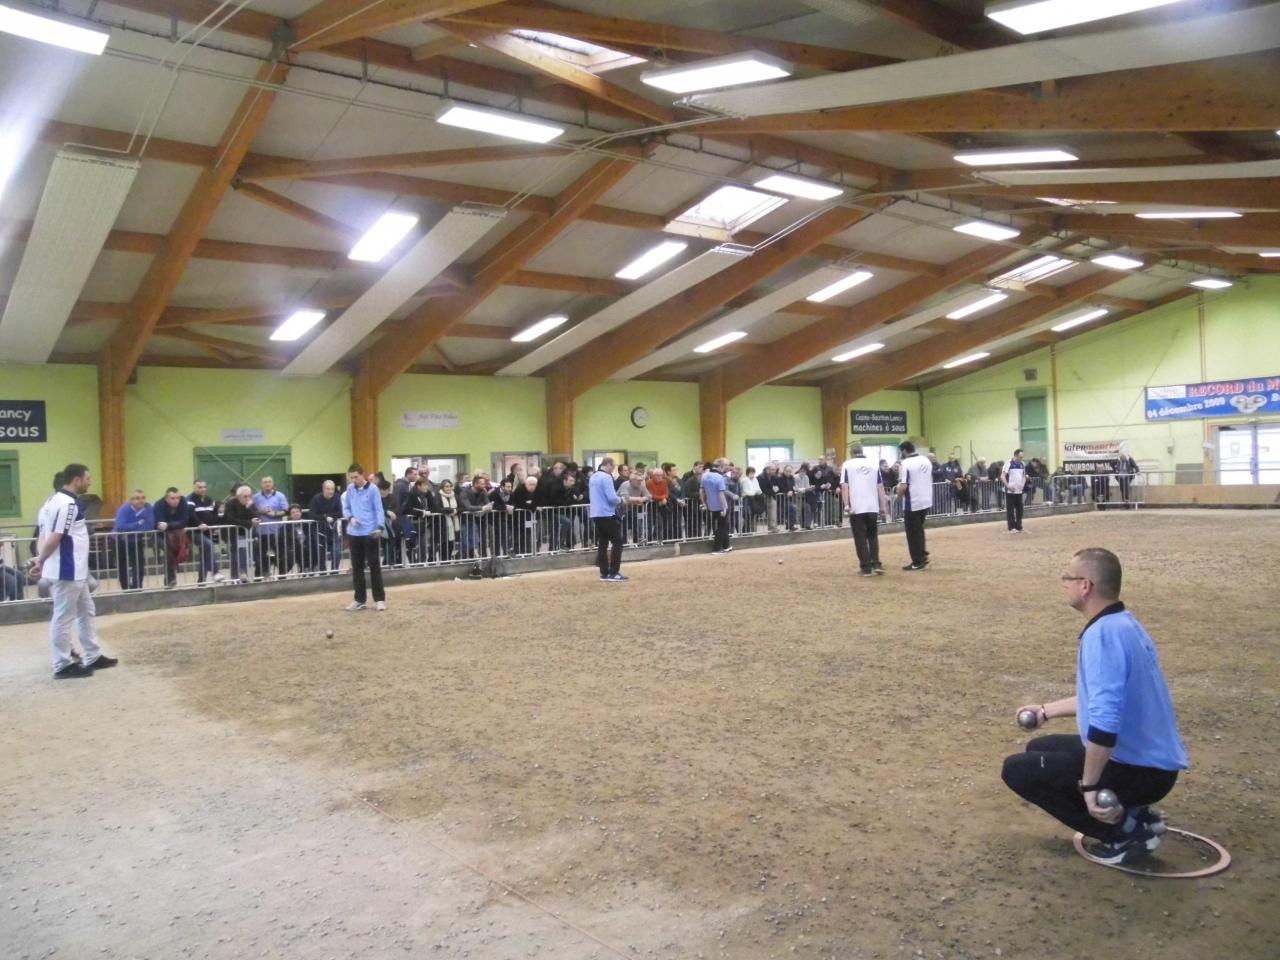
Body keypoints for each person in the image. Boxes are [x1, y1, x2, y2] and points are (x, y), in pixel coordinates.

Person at [1001, 548, 1187, 865]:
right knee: (1039, 747)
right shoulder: (1123, 623)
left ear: (1085, 586)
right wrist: (1045, 711)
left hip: (1143, 770)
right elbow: (1102, 699)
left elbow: (1105, 721)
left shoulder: (1102, 636)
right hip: (1151, 763)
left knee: (1016, 770)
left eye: (1068, 577)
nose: (1064, 583)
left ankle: (1125, 832)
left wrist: (1090, 786)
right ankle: (1137, 814)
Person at [31, 463, 116, 678]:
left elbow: (43, 535)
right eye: (87, 478)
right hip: (68, 569)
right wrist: (41, 560)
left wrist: (41, 560)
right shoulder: (68, 504)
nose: (89, 482)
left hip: (76, 569)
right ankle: (62, 664)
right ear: (76, 480)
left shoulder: (49, 504)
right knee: (63, 616)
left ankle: (92, 654)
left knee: (86, 611)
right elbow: (55, 536)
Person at [341, 464, 386, 611]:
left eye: (356, 477)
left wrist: (380, 526)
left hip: (370, 533)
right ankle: (359, 600)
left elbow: (379, 509)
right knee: (357, 567)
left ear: (363, 475)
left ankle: (379, 599)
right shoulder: (350, 489)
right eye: (351, 477)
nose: (354, 480)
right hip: (354, 533)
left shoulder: (373, 489)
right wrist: (351, 518)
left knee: (374, 566)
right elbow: (346, 507)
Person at [841, 443, 889, 577]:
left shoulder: (847, 465)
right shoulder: (873, 464)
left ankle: (866, 568)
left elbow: (844, 486)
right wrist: (883, 506)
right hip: (872, 507)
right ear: (862, 451)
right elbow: (880, 487)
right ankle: (876, 563)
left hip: (857, 508)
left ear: (851, 453)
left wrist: (846, 505)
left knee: (860, 537)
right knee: (873, 536)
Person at [895, 441, 933, 570]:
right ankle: (922, 554)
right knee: (919, 529)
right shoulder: (925, 460)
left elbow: (903, 485)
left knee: (912, 533)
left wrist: (898, 497)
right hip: (926, 500)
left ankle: (918, 561)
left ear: (904, 451)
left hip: (913, 502)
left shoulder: (906, 463)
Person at [589, 457, 625, 582]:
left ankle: (604, 573)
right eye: (613, 466)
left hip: (596, 513)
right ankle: (614, 572)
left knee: (603, 543)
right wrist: (621, 500)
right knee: (618, 541)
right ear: (608, 465)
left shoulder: (593, 477)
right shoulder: (607, 477)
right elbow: (612, 498)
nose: (613, 469)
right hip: (606, 513)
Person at [112, 488, 154, 590]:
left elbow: (150, 525)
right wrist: (138, 523)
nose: (141, 500)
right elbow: (120, 526)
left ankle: (137, 587)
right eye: (137, 498)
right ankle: (126, 588)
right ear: (131, 500)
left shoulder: (148, 508)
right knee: (123, 565)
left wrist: (134, 528)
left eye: (143, 498)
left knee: (139, 564)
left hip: (136, 539)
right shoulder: (124, 509)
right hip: (120, 539)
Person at [153, 486, 193, 588]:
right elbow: (160, 524)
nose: (176, 501)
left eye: (177, 498)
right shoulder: (159, 505)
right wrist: (175, 525)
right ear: (166, 498)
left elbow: (184, 521)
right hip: (158, 534)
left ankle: (170, 579)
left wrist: (169, 525)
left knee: (172, 551)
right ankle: (170, 578)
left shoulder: (183, 502)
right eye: (172, 498)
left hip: (175, 534)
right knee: (168, 549)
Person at [222, 484, 260, 582]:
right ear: (238, 496)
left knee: (256, 553)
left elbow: (257, 516)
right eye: (245, 496)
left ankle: (257, 575)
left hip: (249, 532)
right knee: (237, 555)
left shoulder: (251, 503)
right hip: (235, 533)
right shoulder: (230, 504)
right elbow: (231, 519)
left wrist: (249, 508)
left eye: (249, 496)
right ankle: (236, 577)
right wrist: (248, 522)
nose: (247, 498)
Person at [253, 476, 288, 579]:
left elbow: (286, 510)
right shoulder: (256, 497)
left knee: (280, 556)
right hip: (261, 532)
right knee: (260, 557)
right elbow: (252, 511)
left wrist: (274, 514)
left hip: (277, 532)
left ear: (273, 483)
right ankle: (258, 579)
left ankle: (282, 578)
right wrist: (261, 511)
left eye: (269, 482)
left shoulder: (280, 495)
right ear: (261, 484)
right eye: (265, 482)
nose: (267, 484)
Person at [308, 479, 344, 572]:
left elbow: (340, 513)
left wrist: (329, 515)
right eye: (328, 489)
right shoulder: (316, 499)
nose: (330, 491)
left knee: (337, 551)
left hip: (333, 529)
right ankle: (322, 573)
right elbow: (311, 514)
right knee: (320, 553)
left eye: (332, 489)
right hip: (319, 529)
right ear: (323, 489)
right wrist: (324, 517)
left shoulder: (337, 498)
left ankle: (334, 571)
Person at [702, 458, 732, 554]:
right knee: (721, 527)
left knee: (722, 525)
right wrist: (724, 507)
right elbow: (721, 494)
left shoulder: (705, 475)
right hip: (720, 505)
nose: (727, 467)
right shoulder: (720, 477)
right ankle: (716, 548)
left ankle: (726, 545)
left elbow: (701, 491)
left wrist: (704, 503)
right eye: (726, 465)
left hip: (710, 505)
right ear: (721, 466)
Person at [1002, 448, 1029, 533]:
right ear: (1016, 455)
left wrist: (1023, 484)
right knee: (1010, 510)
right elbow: (1002, 476)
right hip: (1010, 491)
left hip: (1019, 491)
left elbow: (1024, 476)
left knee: (1020, 510)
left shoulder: (1022, 464)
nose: (1021, 459)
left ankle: (1019, 526)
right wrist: (1008, 486)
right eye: (1020, 457)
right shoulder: (1009, 463)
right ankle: (1011, 527)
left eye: (1022, 457)